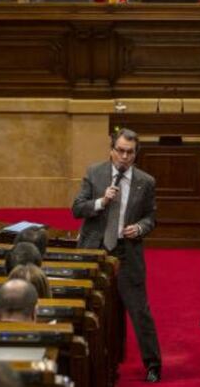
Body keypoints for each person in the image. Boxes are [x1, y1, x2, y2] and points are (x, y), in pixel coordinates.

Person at [72, 128, 161, 383]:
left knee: (139, 310)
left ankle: (153, 364)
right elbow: (77, 209)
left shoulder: (146, 181)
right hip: (96, 249)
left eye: (129, 152)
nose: (124, 156)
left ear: (135, 154)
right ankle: (93, 363)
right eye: (120, 151)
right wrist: (101, 201)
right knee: (93, 309)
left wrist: (141, 227)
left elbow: (151, 217)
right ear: (112, 150)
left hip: (126, 250)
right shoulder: (95, 172)